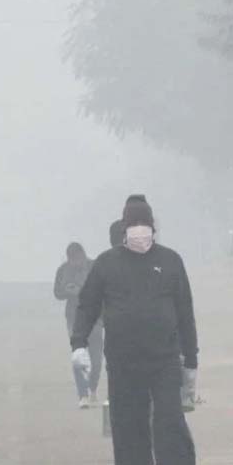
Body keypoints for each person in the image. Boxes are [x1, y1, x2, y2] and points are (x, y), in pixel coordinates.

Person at [71, 195, 198, 465]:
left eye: (144, 223)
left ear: (153, 227)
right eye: (134, 224)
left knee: (170, 425)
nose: (140, 230)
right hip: (123, 364)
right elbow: (87, 306)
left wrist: (191, 362)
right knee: (129, 431)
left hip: (164, 362)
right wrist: (78, 344)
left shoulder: (170, 260)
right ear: (124, 229)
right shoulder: (106, 263)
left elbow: (185, 313)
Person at [54, 242, 101, 408]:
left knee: (96, 360)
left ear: (83, 254)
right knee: (78, 356)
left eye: (78, 258)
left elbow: (104, 289)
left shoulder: (95, 267)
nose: (75, 262)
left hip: (95, 318)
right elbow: (57, 293)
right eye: (72, 260)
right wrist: (68, 290)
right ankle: (83, 395)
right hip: (74, 318)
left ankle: (93, 388)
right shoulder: (63, 270)